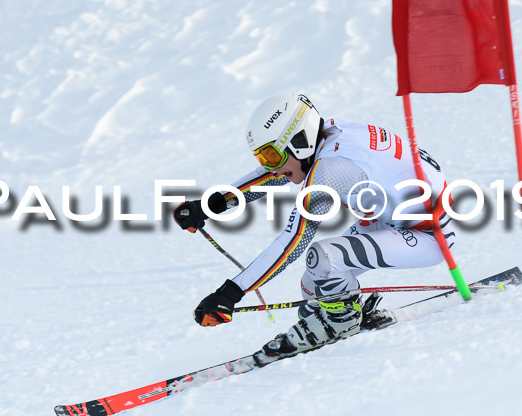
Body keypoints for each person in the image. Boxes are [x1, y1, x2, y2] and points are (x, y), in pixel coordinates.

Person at [173, 93, 456, 360]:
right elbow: (274, 176)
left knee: (322, 258)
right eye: (263, 158)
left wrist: (230, 293)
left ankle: (340, 323)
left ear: (299, 140)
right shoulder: (328, 134)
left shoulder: (332, 168)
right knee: (313, 285)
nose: (271, 166)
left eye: (271, 156)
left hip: (428, 235)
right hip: (390, 219)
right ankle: (328, 322)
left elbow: (293, 242)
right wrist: (212, 204)